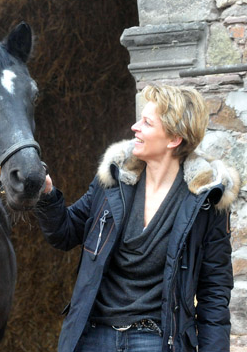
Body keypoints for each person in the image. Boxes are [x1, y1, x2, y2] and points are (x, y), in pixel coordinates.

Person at [35, 85, 240, 352]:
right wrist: (47, 196)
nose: (134, 127)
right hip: (95, 336)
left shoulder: (205, 202)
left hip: (156, 339)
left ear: (173, 139)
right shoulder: (112, 181)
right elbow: (65, 232)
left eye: (146, 122)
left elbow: (214, 294)